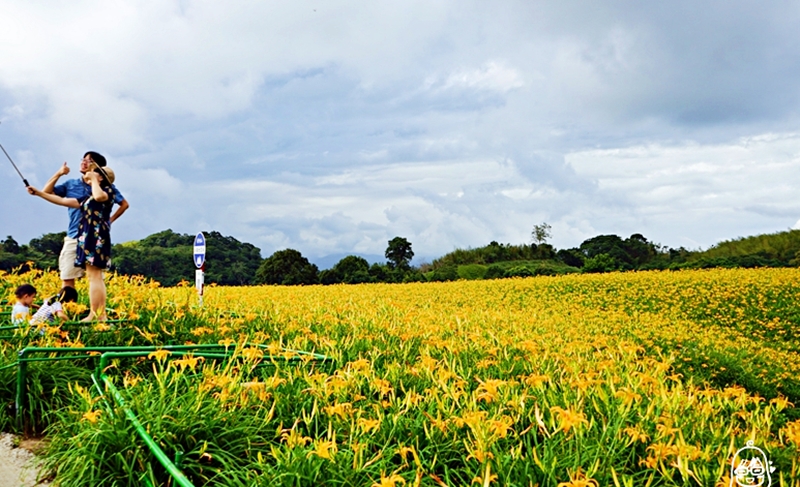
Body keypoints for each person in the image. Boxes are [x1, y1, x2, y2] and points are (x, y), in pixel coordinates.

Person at [28, 165, 118, 321]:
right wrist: (39, 193)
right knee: (92, 276)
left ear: (101, 178)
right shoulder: (89, 197)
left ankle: (98, 315)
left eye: (93, 174)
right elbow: (63, 201)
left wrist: (95, 179)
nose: (88, 176)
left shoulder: (106, 192)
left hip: (96, 237)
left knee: (95, 276)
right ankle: (96, 314)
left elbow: (99, 197)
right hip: (87, 237)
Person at [40, 152, 129, 289]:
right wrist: (59, 173)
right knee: (67, 276)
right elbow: (47, 192)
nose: (84, 162)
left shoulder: (106, 187)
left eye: (89, 161)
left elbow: (124, 204)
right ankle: (69, 308)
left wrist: (109, 221)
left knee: (95, 276)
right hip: (74, 234)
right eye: (83, 159)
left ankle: (96, 310)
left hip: (93, 237)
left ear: (98, 167)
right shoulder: (72, 184)